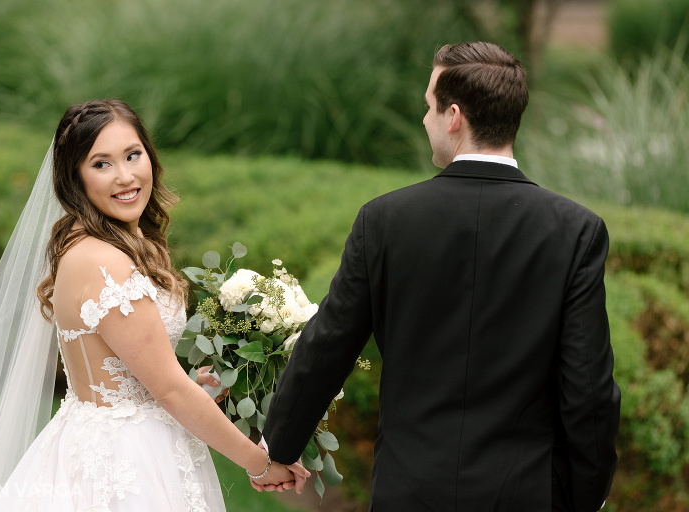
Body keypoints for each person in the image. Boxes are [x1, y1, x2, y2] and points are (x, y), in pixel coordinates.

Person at [261, 42, 620, 511]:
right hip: (524, 491)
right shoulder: (575, 230)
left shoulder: (385, 220)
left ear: (454, 117)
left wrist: (277, 450)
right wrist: (585, 495)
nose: (425, 119)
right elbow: (588, 386)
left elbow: (328, 345)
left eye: (428, 108)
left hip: (409, 488)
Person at [0, 99, 307, 511]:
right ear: (75, 179)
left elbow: (138, 375)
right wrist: (260, 463)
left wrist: (200, 385)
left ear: (150, 157)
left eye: (132, 155)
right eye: (101, 164)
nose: (125, 176)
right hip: (123, 462)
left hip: (126, 438)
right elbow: (169, 390)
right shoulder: (105, 262)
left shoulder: (115, 243)